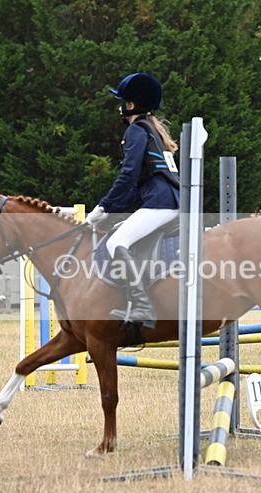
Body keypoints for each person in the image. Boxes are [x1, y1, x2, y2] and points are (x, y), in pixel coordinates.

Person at [85, 72, 180, 323]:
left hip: (162, 204)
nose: (120, 106)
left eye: (122, 101)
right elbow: (138, 188)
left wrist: (103, 205)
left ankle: (143, 306)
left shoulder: (137, 131)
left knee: (116, 243)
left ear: (130, 104)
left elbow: (128, 176)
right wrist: (110, 211)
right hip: (171, 201)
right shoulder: (154, 132)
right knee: (119, 231)